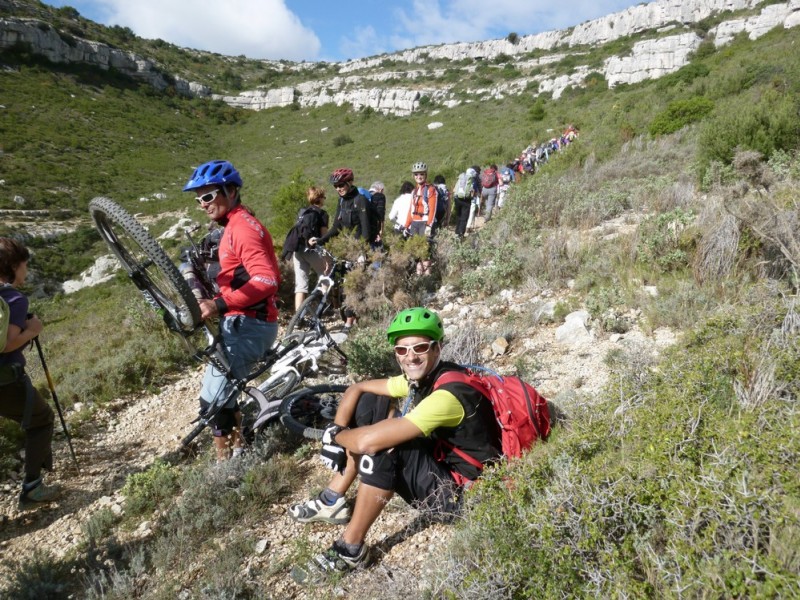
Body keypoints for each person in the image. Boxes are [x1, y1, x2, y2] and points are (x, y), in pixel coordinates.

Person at [289, 307, 501, 584]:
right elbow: (358, 388)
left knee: (385, 448)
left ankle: (350, 549)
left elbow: (367, 441)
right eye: (402, 350)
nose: (410, 357)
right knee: (370, 402)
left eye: (420, 347)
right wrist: (336, 428)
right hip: (446, 465)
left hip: (462, 497)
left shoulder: (447, 395)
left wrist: (334, 439)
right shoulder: (426, 378)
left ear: (437, 348)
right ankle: (333, 499)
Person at [183, 160, 281, 461]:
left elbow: (267, 279)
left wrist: (218, 304)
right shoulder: (233, 225)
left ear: (231, 190)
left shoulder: (242, 228)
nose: (202, 203)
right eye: (198, 198)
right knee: (224, 395)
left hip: (249, 324)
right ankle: (238, 450)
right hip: (244, 322)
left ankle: (223, 469)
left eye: (209, 195)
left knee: (211, 402)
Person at [0, 238, 59, 508]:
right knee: (42, 419)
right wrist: (33, 330)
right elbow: (9, 344)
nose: (25, 272)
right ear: (13, 266)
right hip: (6, 381)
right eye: (24, 265)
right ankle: (32, 489)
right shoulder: (11, 297)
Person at [309, 168, 375, 331]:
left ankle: (351, 321)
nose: (338, 188)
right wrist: (321, 240)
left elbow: (366, 230)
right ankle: (351, 316)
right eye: (335, 186)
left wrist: (361, 251)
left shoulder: (360, 200)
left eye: (341, 185)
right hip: (346, 248)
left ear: (349, 182)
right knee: (343, 284)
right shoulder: (341, 201)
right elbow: (336, 227)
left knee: (354, 284)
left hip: (359, 248)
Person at [288, 186, 330, 311]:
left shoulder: (302, 211)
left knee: (300, 285)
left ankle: (298, 318)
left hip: (298, 250)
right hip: (313, 250)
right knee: (325, 275)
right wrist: (326, 257)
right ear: (320, 198)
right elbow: (323, 238)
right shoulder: (322, 214)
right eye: (324, 197)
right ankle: (322, 309)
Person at [404, 162, 437, 237]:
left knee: (425, 247)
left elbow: (432, 210)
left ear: (426, 175)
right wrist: (406, 225)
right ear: (413, 176)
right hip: (414, 223)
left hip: (425, 222)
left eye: (421, 174)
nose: (418, 176)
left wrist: (429, 226)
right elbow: (411, 210)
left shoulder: (431, 190)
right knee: (413, 247)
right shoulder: (414, 191)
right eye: (416, 174)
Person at [367, 181, 386, 250]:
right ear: (381, 190)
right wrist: (381, 230)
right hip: (373, 228)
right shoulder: (380, 196)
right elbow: (381, 214)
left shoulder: (364, 196)